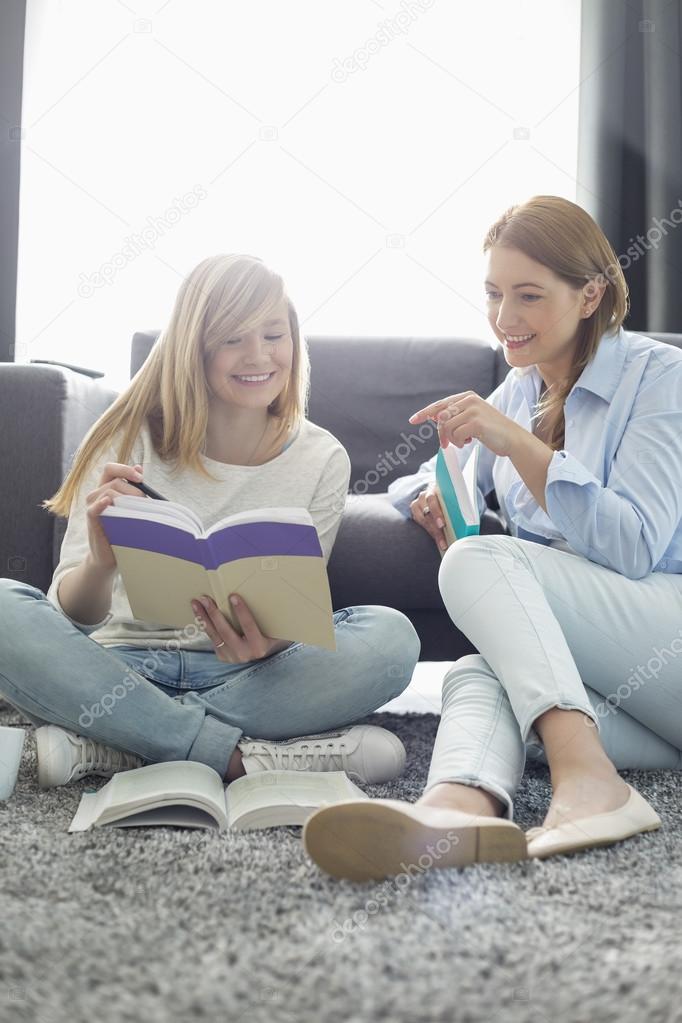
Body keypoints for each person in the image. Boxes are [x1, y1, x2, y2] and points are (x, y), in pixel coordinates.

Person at [303, 195, 682, 881]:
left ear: (591, 293)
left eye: (529, 295)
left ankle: (590, 779)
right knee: (484, 668)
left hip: (668, 636)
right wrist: (429, 496)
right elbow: (437, 472)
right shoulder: (518, 393)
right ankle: (456, 809)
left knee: (482, 562)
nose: (505, 317)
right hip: (640, 698)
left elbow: (633, 548)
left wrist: (518, 446)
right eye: (493, 293)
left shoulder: (660, 377)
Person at [0, 254, 420, 790]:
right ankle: (236, 757)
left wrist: (267, 643)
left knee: (391, 638)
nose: (259, 356)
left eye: (274, 335)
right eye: (232, 339)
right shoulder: (125, 439)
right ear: (193, 348)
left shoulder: (322, 457)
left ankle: (122, 742)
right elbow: (73, 616)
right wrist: (102, 566)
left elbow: (293, 613)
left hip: (246, 676)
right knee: (4, 607)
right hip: (119, 668)